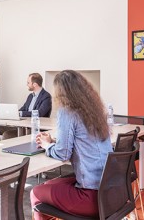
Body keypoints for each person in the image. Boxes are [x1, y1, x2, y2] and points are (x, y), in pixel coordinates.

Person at [30, 70, 113, 219]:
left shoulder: (67, 111)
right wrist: (55, 141)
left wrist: (46, 145)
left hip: (90, 197)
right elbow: (84, 141)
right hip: (110, 193)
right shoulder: (96, 111)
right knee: (49, 184)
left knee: (36, 192)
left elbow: (63, 153)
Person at [0, 73, 52, 141]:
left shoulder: (46, 96)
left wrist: (21, 113)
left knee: (7, 135)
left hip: (33, 128)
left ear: (35, 84)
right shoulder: (30, 96)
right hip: (22, 125)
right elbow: (23, 108)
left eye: (28, 83)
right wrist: (14, 113)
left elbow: (40, 113)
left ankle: (3, 150)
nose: (27, 84)